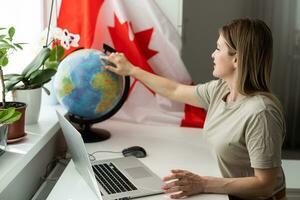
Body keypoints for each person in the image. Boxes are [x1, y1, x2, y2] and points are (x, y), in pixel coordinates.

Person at [102, 18, 286, 200]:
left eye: (218, 48)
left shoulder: (261, 113)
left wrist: (204, 183)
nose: (212, 55)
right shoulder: (221, 89)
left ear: (236, 59)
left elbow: (265, 185)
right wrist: (132, 70)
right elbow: (174, 90)